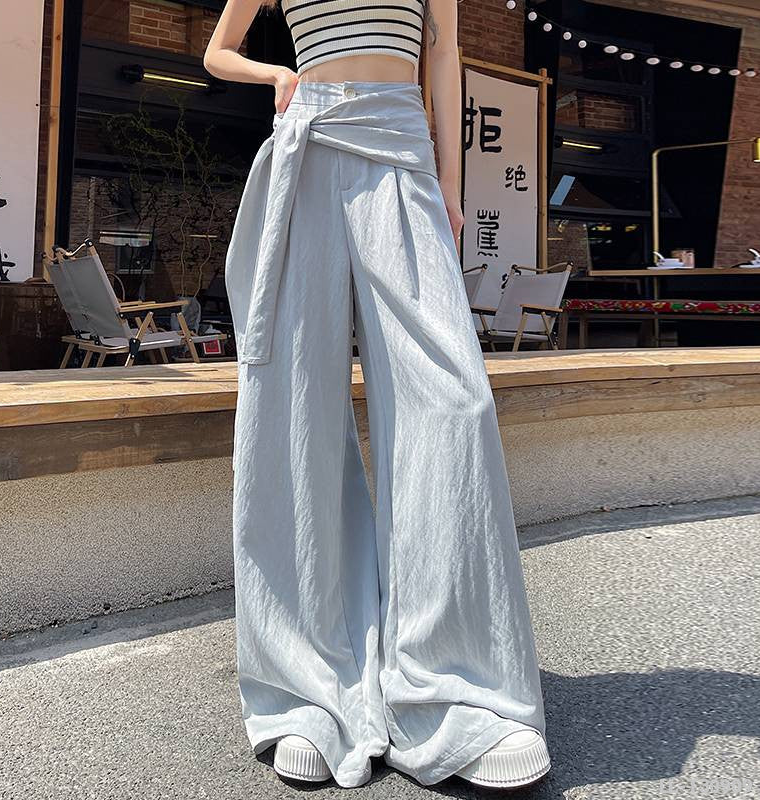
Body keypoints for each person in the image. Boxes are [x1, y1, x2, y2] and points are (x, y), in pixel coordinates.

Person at [203, 0, 551, 789]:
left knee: (453, 403)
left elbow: (444, 54)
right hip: (309, 147)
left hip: (400, 145)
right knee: (291, 406)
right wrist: (275, 73)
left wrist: (450, 190)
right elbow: (218, 51)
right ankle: (308, 684)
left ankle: (455, 682)